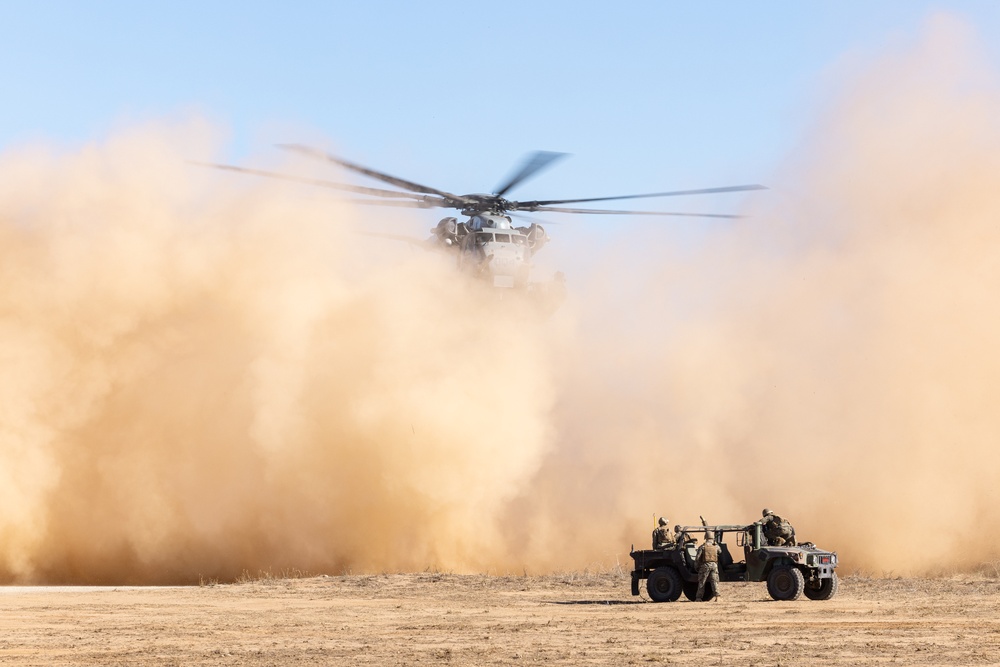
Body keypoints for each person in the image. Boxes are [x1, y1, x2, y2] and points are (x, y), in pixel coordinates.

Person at [695, 532, 721, 601]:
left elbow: (697, 558)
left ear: (705, 537)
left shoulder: (702, 547)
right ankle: (717, 597)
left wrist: (696, 567)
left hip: (705, 565)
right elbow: (720, 552)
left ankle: (698, 598)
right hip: (714, 565)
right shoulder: (716, 546)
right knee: (714, 581)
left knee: (702, 582)